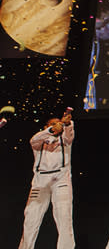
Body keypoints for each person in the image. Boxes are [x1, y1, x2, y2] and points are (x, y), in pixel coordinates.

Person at [19, 107, 75, 249]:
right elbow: (33, 140)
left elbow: (69, 136)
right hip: (40, 182)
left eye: (58, 123)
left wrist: (67, 124)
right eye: (52, 123)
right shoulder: (39, 141)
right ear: (46, 127)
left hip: (61, 180)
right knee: (31, 219)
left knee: (64, 218)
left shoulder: (65, 140)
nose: (57, 125)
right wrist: (51, 130)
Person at [84, 7, 109, 110]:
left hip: (90, 75)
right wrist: (105, 20)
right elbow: (98, 24)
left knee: (89, 106)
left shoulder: (97, 30)